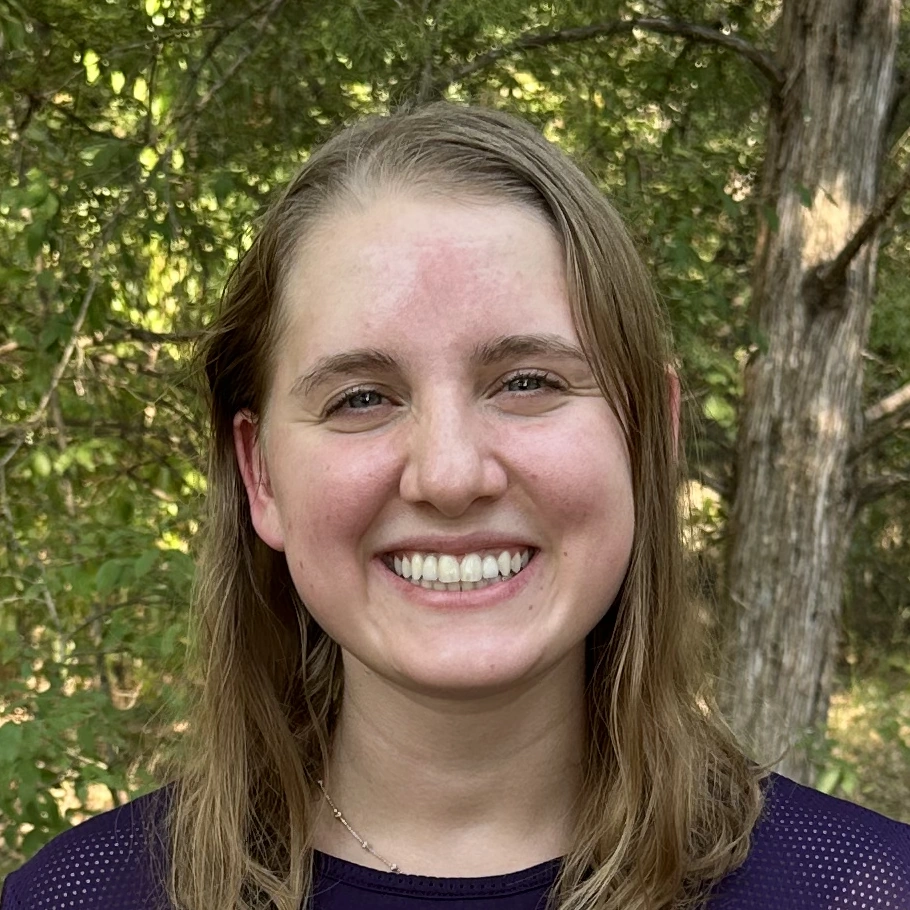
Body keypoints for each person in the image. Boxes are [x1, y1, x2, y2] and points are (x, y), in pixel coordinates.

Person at [3, 103, 909, 910]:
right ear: (261, 476)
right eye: (362, 398)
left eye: (527, 381)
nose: (448, 475)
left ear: (649, 438)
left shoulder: (864, 890)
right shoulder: (77, 899)